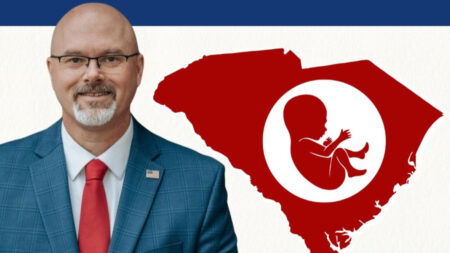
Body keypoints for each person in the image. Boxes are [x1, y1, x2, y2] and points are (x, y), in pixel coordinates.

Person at [0, 3, 237, 253]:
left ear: (138, 69)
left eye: (111, 58)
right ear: (52, 70)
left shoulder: (200, 183)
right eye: (75, 60)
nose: (92, 74)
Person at [283, 95, 368, 190]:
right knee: (338, 152)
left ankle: (359, 154)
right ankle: (351, 171)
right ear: (307, 124)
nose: (325, 128)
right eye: (321, 123)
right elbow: (326, 153)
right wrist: (340, 138)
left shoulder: (300, 144)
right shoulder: (303, 143)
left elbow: (322, 152)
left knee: (338, 152)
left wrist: (327, 145)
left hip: (329, 174)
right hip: (330, 180)